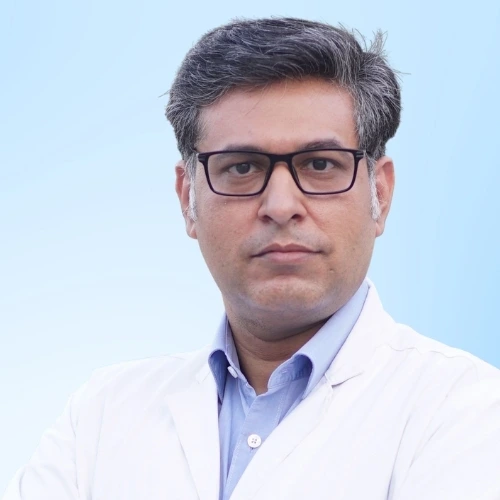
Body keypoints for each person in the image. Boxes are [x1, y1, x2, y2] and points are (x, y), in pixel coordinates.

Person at [3, 17, 500, 500]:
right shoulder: (101, 416)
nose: (281, 206)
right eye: (241, 167)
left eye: (320, 164)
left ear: (380, 194)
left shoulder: (466, 411)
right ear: (188, 199)